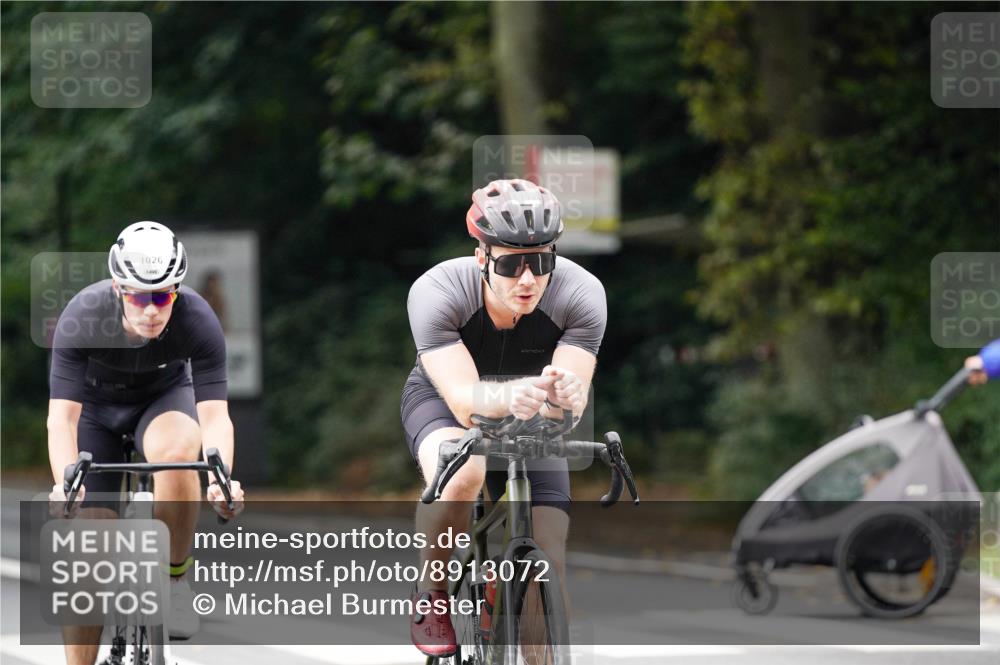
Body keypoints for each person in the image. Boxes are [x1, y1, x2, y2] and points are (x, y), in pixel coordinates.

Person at [401, 179, 607, 657]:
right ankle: (431, 595)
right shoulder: (438, 291)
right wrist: (515, 392)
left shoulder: (581, 295)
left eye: (541, 261)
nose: (529, 279)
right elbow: (463, 402)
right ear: (482, 257)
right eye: (513, 264)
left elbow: (564, 410)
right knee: (463, 472)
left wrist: (566, 396)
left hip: (530, 412)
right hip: (443, 400)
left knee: (548, 555)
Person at [46, 221, 245, 665]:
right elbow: (61, 418)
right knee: (87, 561)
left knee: (178, 458)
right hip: (94, 414)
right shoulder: (83, 314)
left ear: (177, 290)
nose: (152, 310)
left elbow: (214, 417)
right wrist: (67, 483)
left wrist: (222, 481)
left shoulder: (198, 319)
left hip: (162, 401)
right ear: (118, 288)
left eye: (163, 296)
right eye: (139, 296)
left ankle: (175, 580)